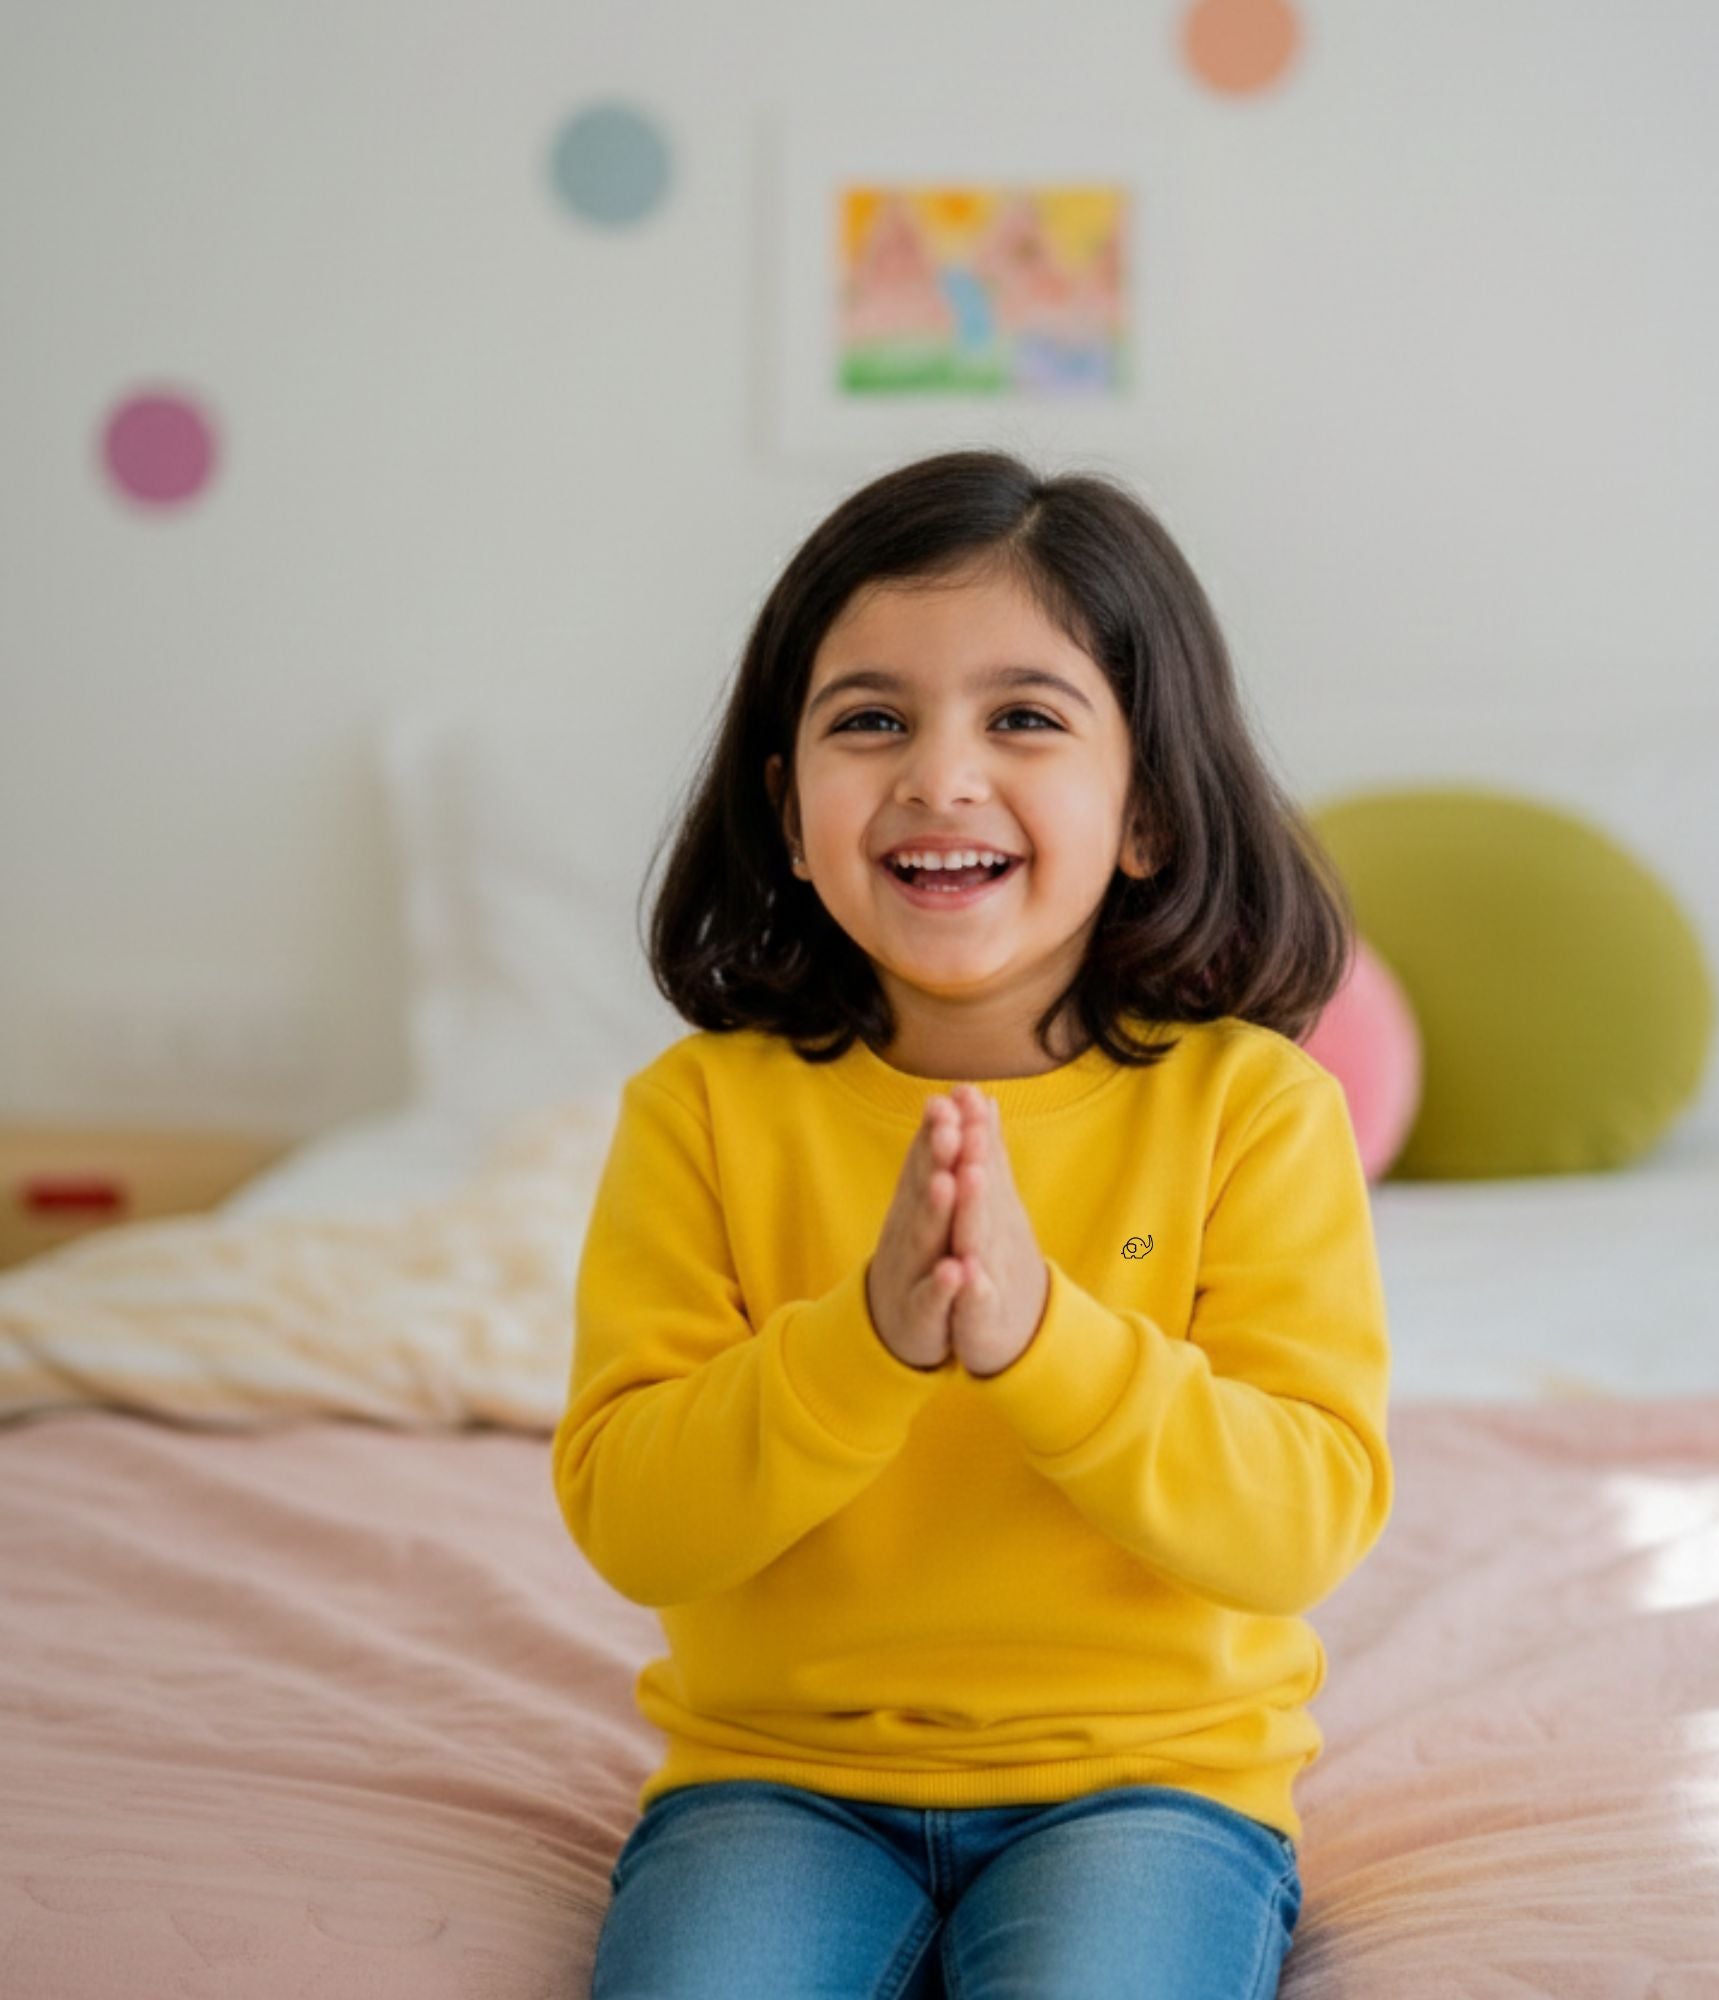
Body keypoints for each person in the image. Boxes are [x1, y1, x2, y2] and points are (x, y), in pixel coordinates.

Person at [552, 447, 1394, 1999]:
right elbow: (632, 1517)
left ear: (1145, 807)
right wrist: (865, 1345)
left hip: (1153, 1785)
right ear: (789, 816)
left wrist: (1044, 1342)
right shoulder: (701, 1113)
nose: (939, 774)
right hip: (772, 1782)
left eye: (1024, 717)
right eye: (869, 719)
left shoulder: (1255, 1111)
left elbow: (1302, 1523)